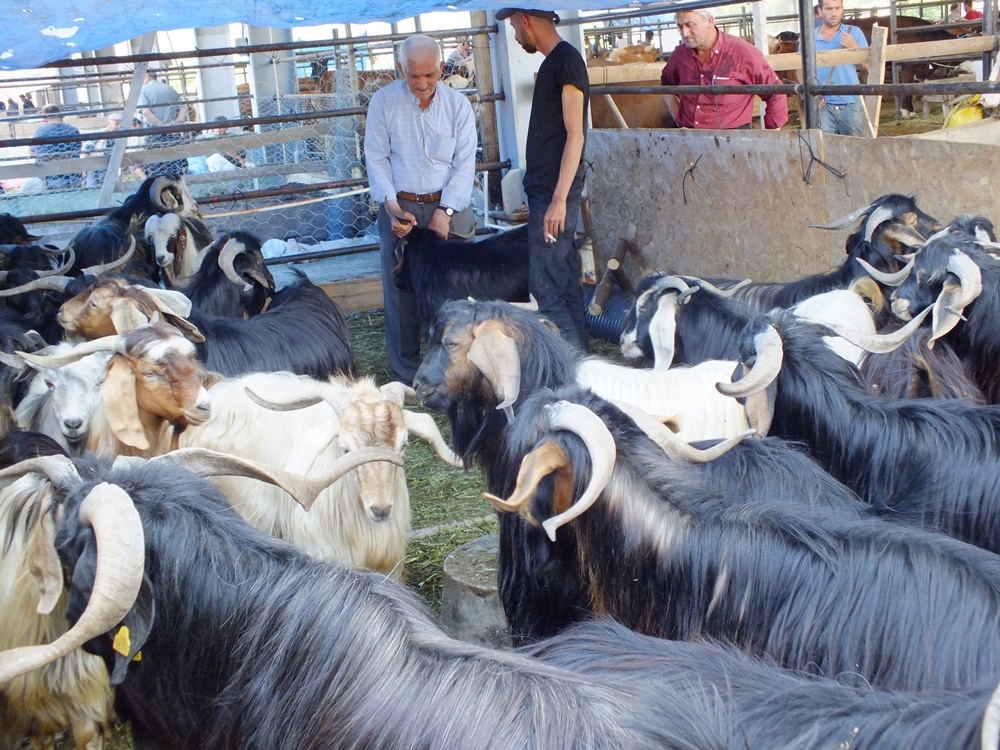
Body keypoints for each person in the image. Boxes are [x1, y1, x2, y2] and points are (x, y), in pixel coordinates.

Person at [364, 34, 477, 385]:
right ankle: (408, 373)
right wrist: (392, 206)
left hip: (450, 204)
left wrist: (445, 211)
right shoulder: (383, 103)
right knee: (401, 289)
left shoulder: (458, 105)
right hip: (402, 204)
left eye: (430, 74)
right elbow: (376, 156)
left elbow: (464, 162)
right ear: (400, 70)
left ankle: (462, 369)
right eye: (414, 76)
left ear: (441, 68)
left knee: (458, 286)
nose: (423, 83)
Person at [496, 8, 590, 351]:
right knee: (563, 283)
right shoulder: (556, 63)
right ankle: (584, 363)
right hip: (548, 190)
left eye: (513, 28)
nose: (516, 37)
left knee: (546, 286)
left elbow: (575, 135)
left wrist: (559, 199)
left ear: (524, 20)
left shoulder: (566, 62)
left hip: (553, 192)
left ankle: (570, 368)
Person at [660, 9, 788, 130]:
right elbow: (667, 84)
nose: (684, 33)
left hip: (732, 138)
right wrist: (678, 117)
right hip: (690, 137)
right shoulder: (679, 55)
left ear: (709, 21)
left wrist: (770, 134)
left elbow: (775, 91)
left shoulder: (743, 52)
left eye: (690, 25)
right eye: (680, 26)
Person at [814, 0, 869, 136]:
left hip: (851, 103)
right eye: (829, 9)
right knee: (822, 150)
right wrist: (813, 94)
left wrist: (855, 48)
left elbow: (869, 66)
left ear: (842, 9)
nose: (834, 13)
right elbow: (801, 71)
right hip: (823, 104)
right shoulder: (810, 37)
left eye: (837, 8)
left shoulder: (854, 33)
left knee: (855, 150)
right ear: (820, 11)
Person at [137, 68, 188, 177]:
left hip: (155, 134)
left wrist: (161, 125)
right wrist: (177, 122)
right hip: (173, 134)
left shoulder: (143, 90)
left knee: (156, 168)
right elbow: (183, 109)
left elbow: (145, 111)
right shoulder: (170, 89)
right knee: (175, 166)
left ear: (146, 76)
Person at [31, 104, 82, 190]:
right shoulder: (73, 130)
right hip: (72, 176)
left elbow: (32, 151)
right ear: (61, 116)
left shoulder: (39, 131)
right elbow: (78, 148)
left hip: (49, 177)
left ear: (45, 118)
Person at [82, 112, 122, 188]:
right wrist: (83, 167)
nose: (119, 127)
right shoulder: (100, 134)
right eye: (116, 124)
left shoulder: (122, 136)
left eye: (120, 124)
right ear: (109, 123)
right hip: (96, 167)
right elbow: (86, 148)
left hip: (112, 168)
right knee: (92, 188)